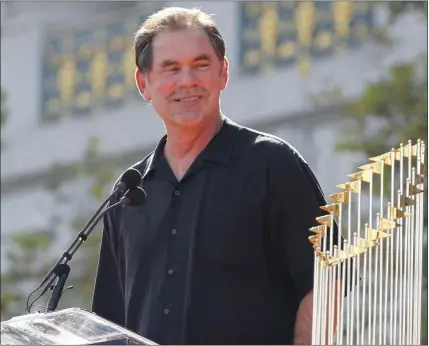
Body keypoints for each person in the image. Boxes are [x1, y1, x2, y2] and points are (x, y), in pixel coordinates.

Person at [91, 6, 332, 345]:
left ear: (223, 73)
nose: (187, 81)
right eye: (171, 68)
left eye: (200, 65)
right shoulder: (128, 196)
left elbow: (324, 286)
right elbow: (108, 326)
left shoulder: (273, 165)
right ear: (144, 83)